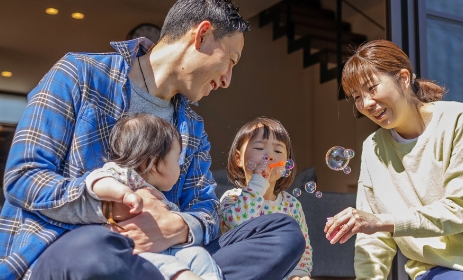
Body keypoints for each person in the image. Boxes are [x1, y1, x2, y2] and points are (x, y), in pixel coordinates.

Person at [0, 1, 305, 279]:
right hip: (75, 246)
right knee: (95, 250)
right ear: (201, 36)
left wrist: (175, 228)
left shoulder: (193, 127)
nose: (227, 80)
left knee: (284, 232)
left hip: (169, 255)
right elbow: (23, 177)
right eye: (231, 61)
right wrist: (108, 207)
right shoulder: (79, 74)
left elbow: (207, 209)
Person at [324, 39, 463, 279]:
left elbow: (459, 211)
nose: (367, 103)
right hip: (430, 271)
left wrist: (382, 221)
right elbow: (373, 241)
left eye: (372, 88)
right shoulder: (372, 148)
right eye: (356, 97)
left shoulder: (461, 120)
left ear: (403, 78)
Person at [86, 113, 221, 280]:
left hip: (169, 247)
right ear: (154, 163)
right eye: (177, 159)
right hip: (132, 251)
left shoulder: (158, 194)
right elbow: (95, 179)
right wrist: (124, 194)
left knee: (198, 255)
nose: (180, 167)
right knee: (167, 267)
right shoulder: (125, 176)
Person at [219, 117, 313, 280]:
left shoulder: (292, 205)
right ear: (238, 159)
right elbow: (238, 224)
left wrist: (299, 275)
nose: (269, 156)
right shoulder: (232, 198)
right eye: (260, 147)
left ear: (286, 164)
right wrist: (257, 184)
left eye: (278, 151)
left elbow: (302, 247)